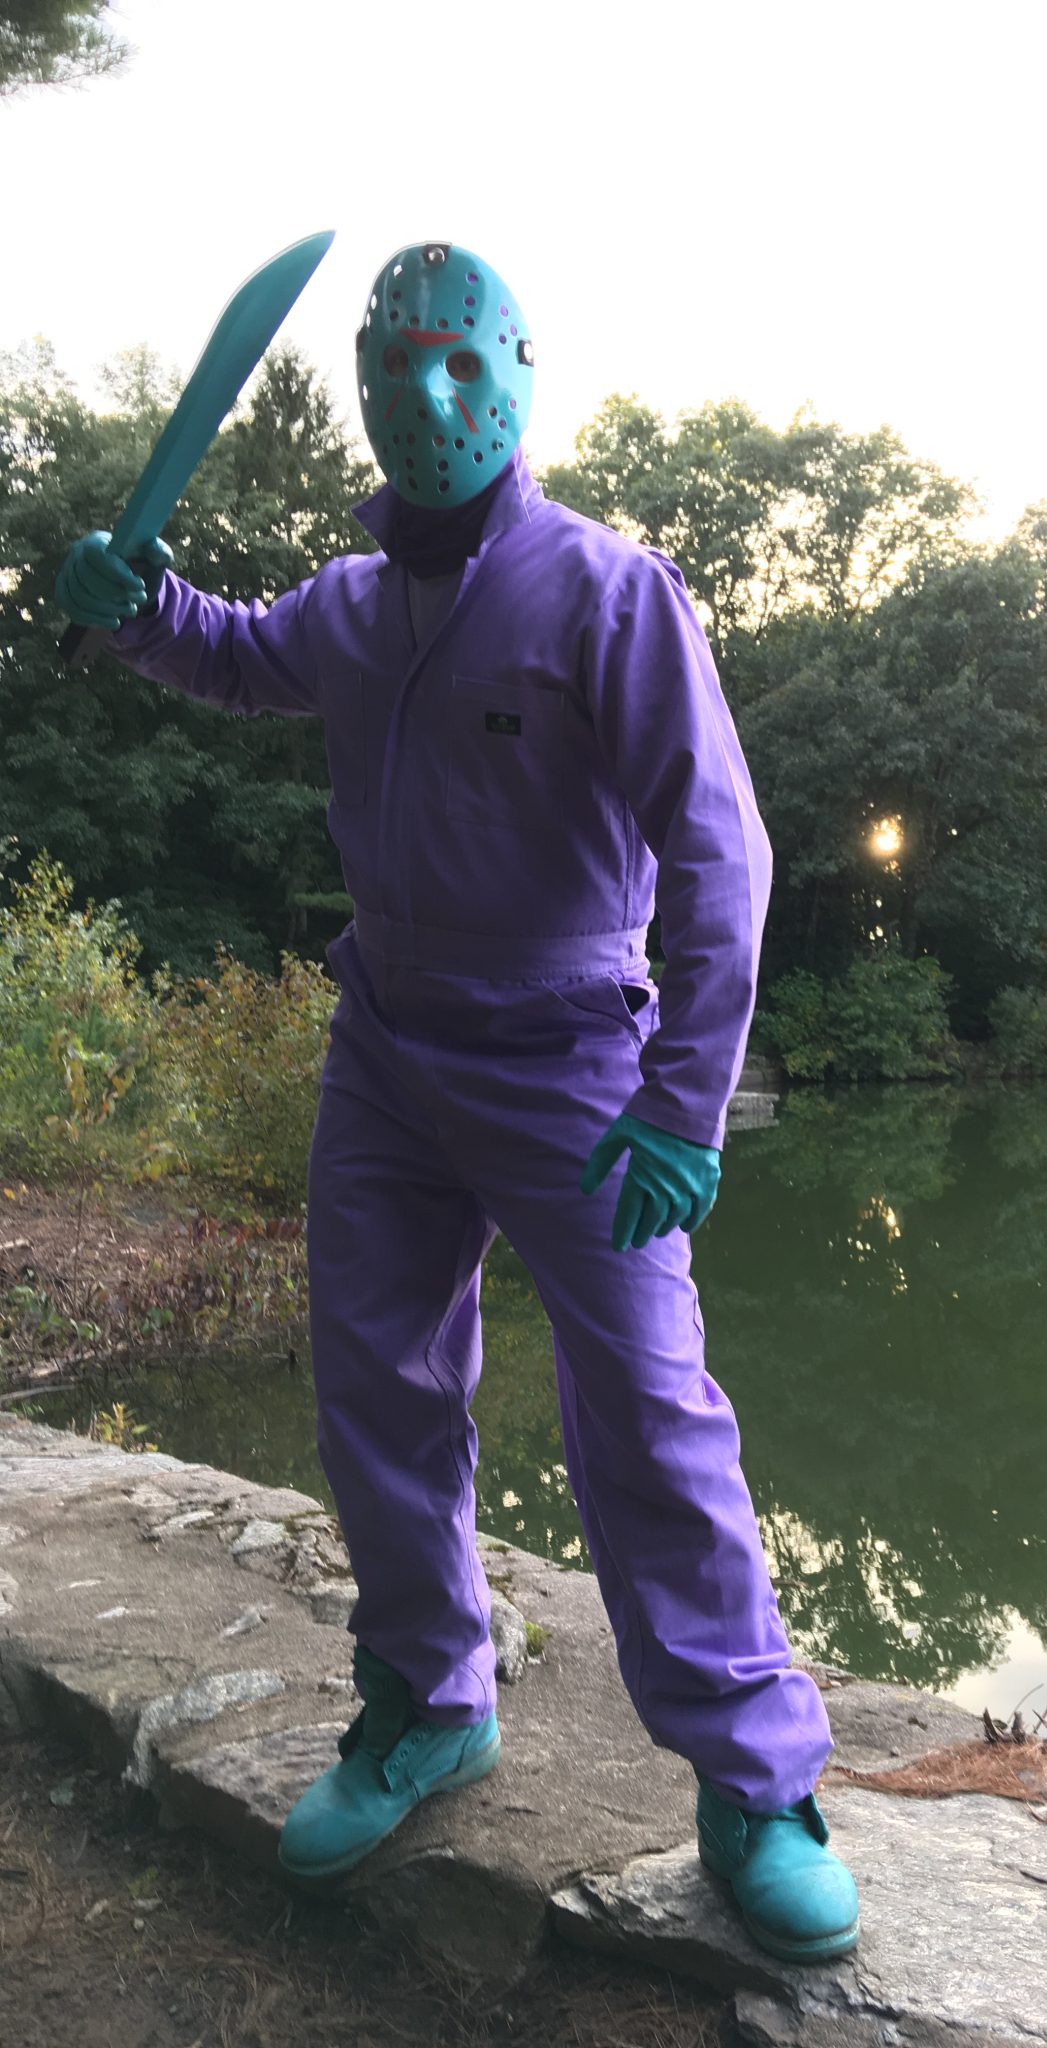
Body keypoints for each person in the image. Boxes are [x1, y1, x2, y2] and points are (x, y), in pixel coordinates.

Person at [55, 239, 859, 1965]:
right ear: (361, 389)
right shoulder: (351, 606)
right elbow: (234, 656)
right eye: (394, 365)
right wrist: (134, 611)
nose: (426, 395)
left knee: (647, 1407)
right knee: (378, 1383)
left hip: (576, 1062)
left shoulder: (609, 595)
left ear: (515, 373)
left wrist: (687, 1100)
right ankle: (429, 1699)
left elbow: (721, 850)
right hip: (390, 1052)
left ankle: (756, 1781)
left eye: (458, 362)